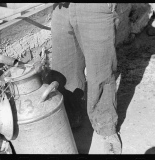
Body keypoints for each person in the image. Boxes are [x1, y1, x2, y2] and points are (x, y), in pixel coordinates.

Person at [50, 3, 121, 154]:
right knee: (64, 70)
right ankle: (71, 118)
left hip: (95, 8)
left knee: (101, 71)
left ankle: (106, 127)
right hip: (61, 9)